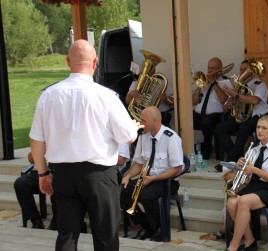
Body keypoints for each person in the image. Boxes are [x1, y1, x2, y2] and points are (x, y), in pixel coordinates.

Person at [29, 39, 142, 251]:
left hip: (63, 174)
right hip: (99, 175)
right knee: (106, 238)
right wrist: (134, 129)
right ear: (96, 62)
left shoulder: (48, 95)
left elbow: (36, 139)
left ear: (67, 61)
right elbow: (127, 136)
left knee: (67, 235)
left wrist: (43, 173)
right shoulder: (107, 96)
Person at [225, 115, 268, 251]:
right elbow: (246, 173)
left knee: (243, 201)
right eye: (258, 127)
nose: (259, 131)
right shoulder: (254, 148)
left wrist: (255, 170)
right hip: (253, 186)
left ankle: (233, 246)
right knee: (231, 203)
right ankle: (250, 240)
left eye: (264, 128)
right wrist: (240, 167)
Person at [120, 106, 184, 242]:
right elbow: (138, 163)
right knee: (122, 191)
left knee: (144, 195)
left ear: (155, 120)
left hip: (166, 181)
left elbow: (177, 168)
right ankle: (145, 224)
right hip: (147, 178)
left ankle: (158, 227)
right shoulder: (143, 137)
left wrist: (153, 178)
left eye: (144, 120)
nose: (141, 123)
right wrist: (127, 176)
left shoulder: (171, 138)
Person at [214, 59, 268, 171]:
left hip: (257, 117)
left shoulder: (260, 84)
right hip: (241, 116)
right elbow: (229, 106)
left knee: (244, 128)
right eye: (241, 70)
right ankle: (237, 158)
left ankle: (230, 160)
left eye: (246, 70)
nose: (243, 72)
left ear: (253, 71)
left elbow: (254, 100)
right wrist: (231, 103)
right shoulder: (239, 86)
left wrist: (236, 95)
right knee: (219, 128)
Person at [192, 57, 229, 160]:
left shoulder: (224, 81)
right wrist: (199, 87)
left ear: (220, 69)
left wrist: (214, 83)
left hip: (216, 116)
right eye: (208, 68)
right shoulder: (204, 82)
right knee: (184, 119)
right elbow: (193, 102)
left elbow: (223, 99)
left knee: (206, 122)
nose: (209, 70)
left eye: (212, 68)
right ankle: (187, 149)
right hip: (199, 114)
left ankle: (207, 148)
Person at [14, 152, 58, 230]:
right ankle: (35, 219)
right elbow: (31, 160)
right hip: (39, 173)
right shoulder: (40, 140)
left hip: (57, 173)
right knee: (20, 183)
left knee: (58, 184)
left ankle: (57, 220)